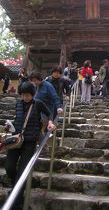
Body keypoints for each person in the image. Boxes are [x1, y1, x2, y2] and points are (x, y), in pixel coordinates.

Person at [5, 81, 56, 210]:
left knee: (23, 171)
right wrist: (9, 126)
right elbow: (18, 120)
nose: (25, 97)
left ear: (33, 94)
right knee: (9, 167)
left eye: (28, 95)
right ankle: (16, 186)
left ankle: (16, 199)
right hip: (16, 140)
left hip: (30, 142)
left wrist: (50, 123)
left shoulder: (37, 103)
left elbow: (50, 113)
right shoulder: (18, 104)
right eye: (23, 95)